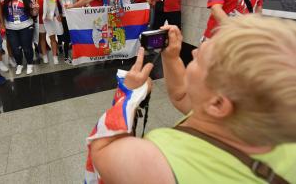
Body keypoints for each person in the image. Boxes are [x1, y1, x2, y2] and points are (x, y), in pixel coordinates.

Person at [88, 14, 296, 183]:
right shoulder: (271, 129)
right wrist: (172, 57)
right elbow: (181, 96)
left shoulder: (159, 162)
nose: (194, 52)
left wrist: (129, 95)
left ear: (218, 104)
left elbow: (101, 151)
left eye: (201, 59)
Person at [0, 0, 39, 75]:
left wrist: (36, 9)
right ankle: (19, 64)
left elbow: (33, 14)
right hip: (10, 27)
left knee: (27, 47)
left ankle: (29, 64)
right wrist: (2, 24)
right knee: (15, 48)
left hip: (26, 26)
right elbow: (1, 12)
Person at [56, 0, 73, 64]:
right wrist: (58, 13)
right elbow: (55, 3)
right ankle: (66, 57)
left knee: (70, 36)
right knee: (66, 37)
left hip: (71, 15)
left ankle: (69, 53)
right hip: (64, 16)